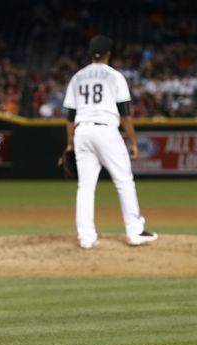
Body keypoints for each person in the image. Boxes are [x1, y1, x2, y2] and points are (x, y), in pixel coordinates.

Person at [62, 35, 157, 248]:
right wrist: (133, 142)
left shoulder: (77, 77)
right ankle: (135, 232)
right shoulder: (115, 76)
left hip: (82, 132)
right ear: (108, 54)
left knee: (85, 186)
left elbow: (69, 115)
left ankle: (86, 238)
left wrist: (70, 142)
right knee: (124, 181)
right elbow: (125, 114)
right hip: (106, 130)